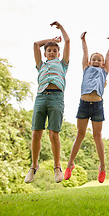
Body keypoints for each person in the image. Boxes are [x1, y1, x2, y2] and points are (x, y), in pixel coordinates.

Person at [64, 32, 109, 183]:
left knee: (97, 136)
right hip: (84, 104)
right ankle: (70, 164)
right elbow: (85, 52)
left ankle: (102, 166)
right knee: (80, 134)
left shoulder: (104, 72)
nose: (96, 61)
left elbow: (108, 57)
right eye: (94, 59)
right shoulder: (86, 68)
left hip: (98, 105)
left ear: (102, 63)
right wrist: (83, 40)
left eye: (99, 60)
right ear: (89, 61)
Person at [24, 21, 70, 184]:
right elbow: (36, 44)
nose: (51, 52)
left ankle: (57, 167)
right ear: (45, 54)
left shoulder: (63, 65)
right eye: (49, 50)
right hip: (41, 97)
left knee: (53, 134)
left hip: (57, 97)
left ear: (58, 53)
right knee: (36, 132)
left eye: (54, 50)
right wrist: (51, 39)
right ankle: (33, 166)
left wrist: (61, 30)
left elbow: (68, 41)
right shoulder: (40, 65)